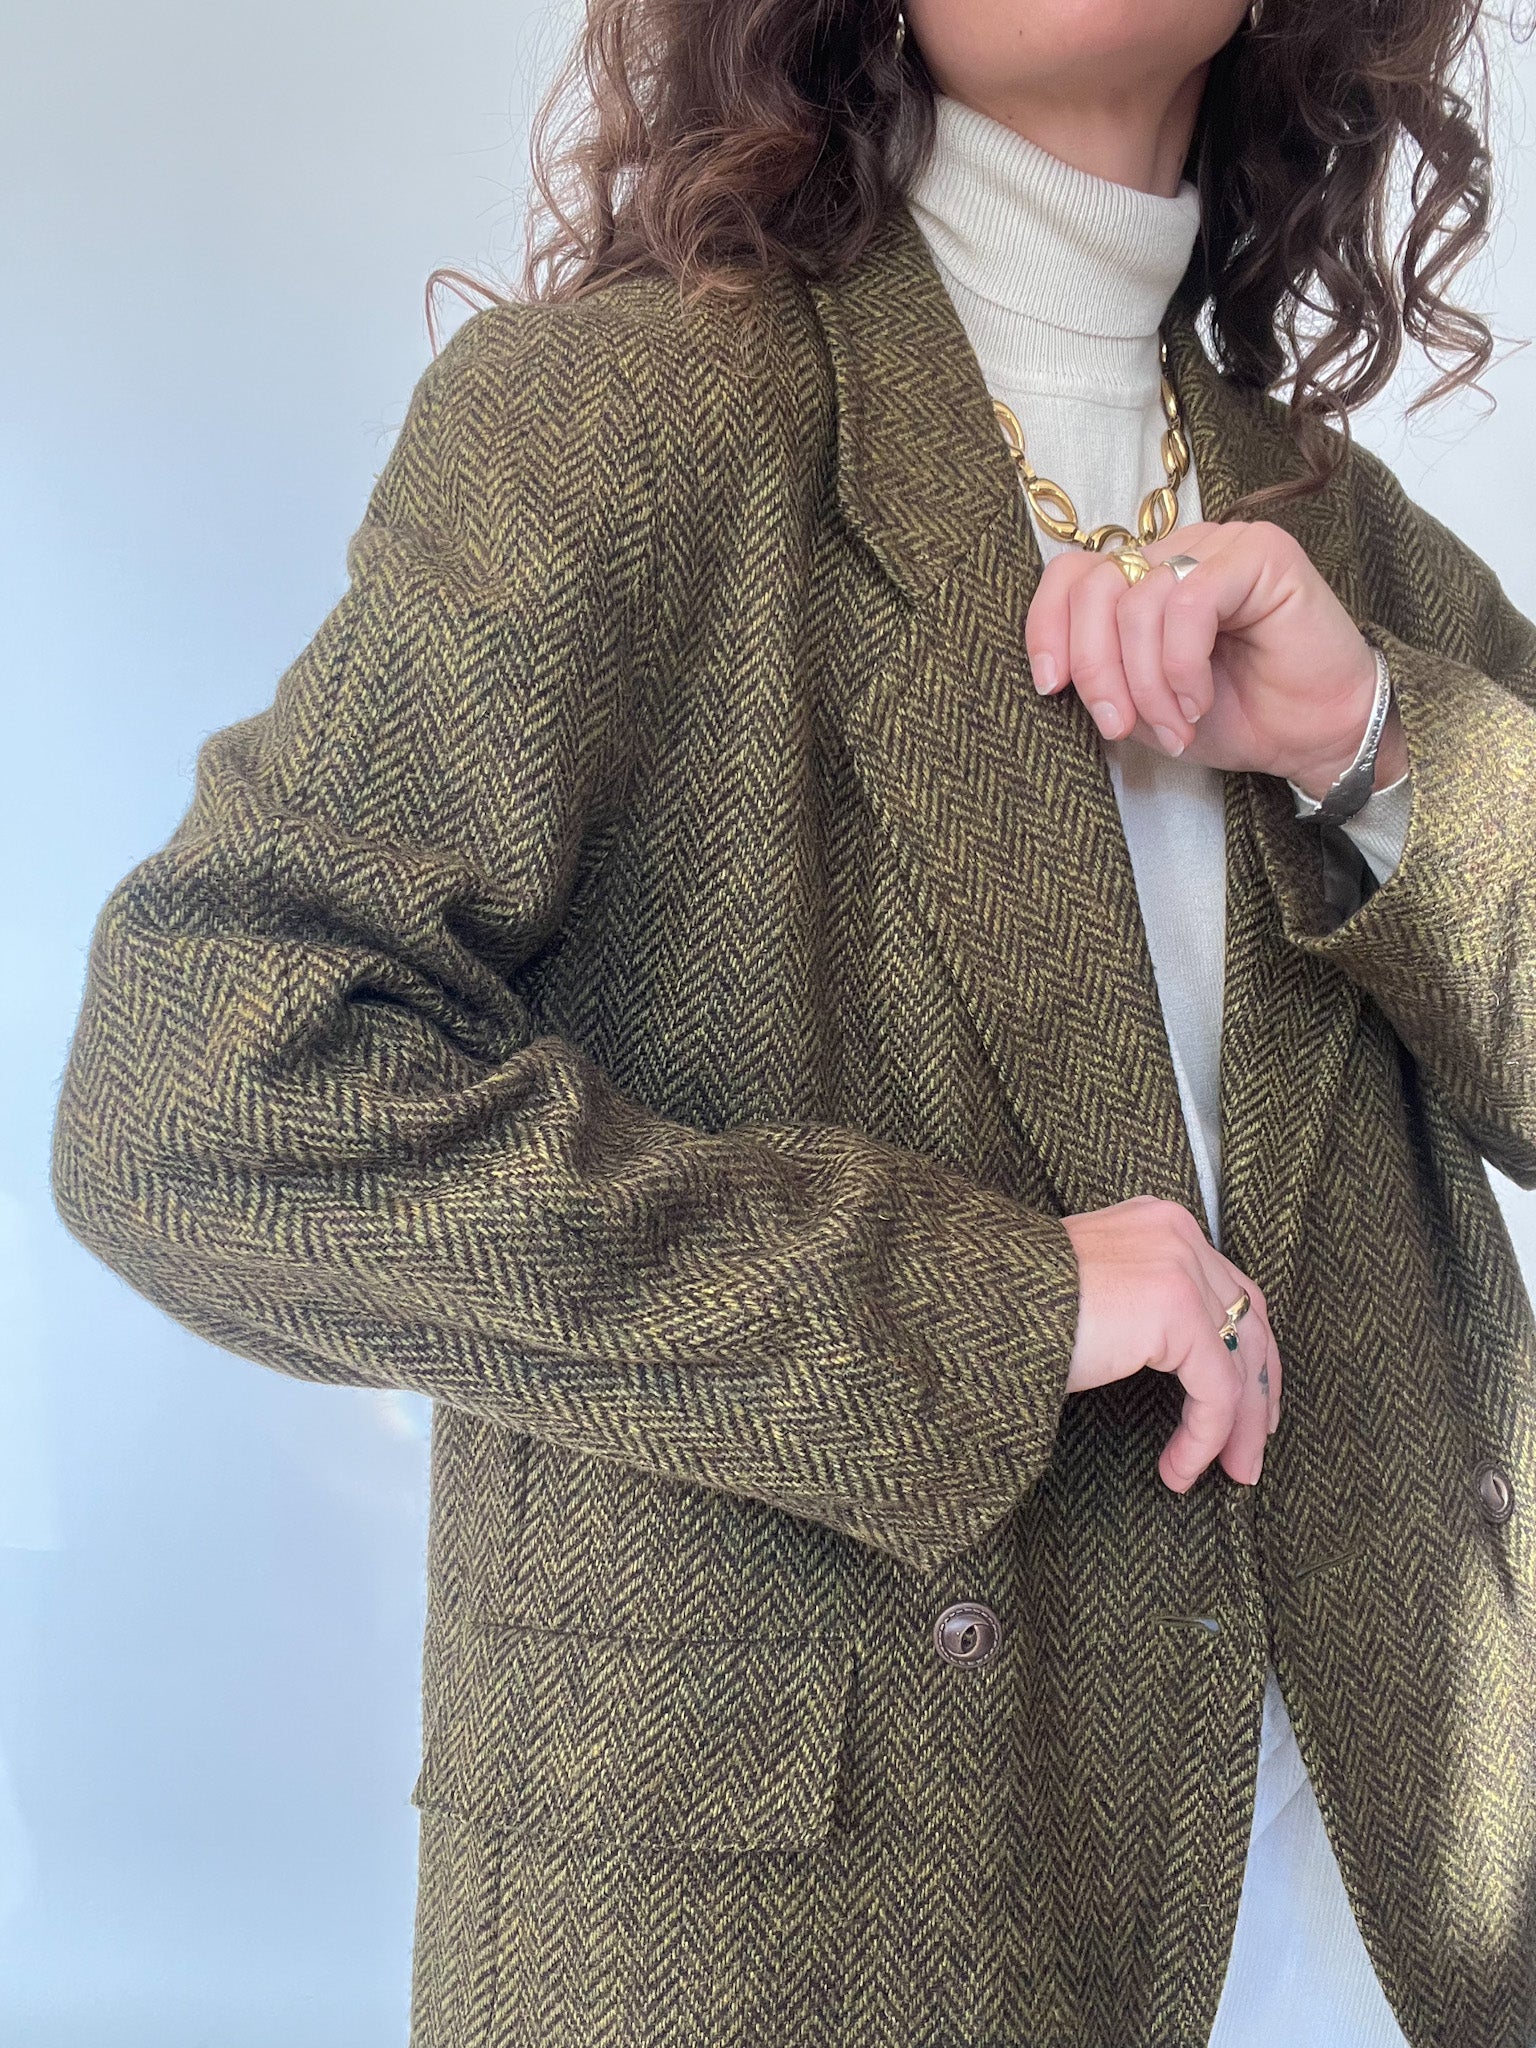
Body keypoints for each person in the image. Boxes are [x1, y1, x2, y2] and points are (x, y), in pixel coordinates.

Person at [50, 0, 1535, 2042]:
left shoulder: (1345, 542)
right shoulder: (622, 423)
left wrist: (1375, 743)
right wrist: (981, 1308)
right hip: (809, 1928)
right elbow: (200, 1104)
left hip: (1373, 1918)